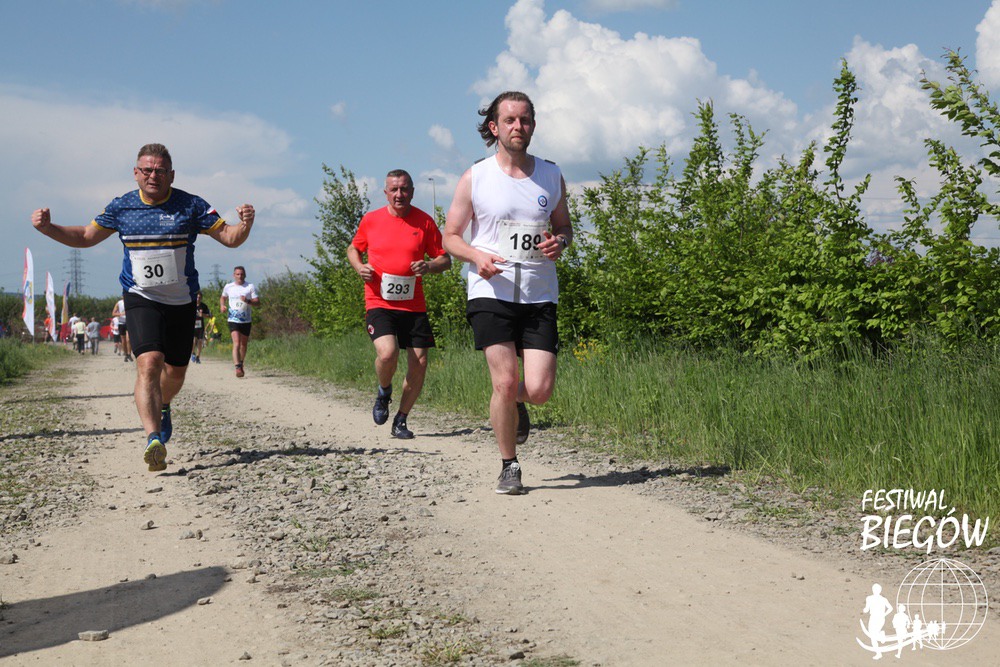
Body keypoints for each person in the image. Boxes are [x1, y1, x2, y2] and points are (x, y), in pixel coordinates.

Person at [31, 143, 255, 472]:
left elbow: (230, 237)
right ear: (136, 173)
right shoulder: (122, 206)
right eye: (147, 170)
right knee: (149, 364)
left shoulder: (191, 205)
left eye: (160, 171)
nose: (153, 176)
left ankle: (164, 404)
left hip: (181, 301)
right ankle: (153, 439)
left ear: (171, 175)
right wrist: (48, 228)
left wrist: (245, 224)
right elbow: (86, 236)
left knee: (175, 373)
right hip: (141, 297)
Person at [443, 91, 573, 495]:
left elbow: (564, 227)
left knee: (540, 391)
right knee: (503, 381)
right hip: (490, 290)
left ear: (533, 125)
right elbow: (450, 236)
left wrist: (560, 243)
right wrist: (475, 255)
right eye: (510, 120)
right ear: (494, 127)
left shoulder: (551, 175)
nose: (519, 127)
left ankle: (515, 404)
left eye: (525, 120)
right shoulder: (476, 176)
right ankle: (509, 465)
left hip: (539, 293)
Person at [348, 169, 451, 439]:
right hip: (379, 301)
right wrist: (359, 267)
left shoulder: (424, 222)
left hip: (413, 305)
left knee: (420, 362)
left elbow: (445, 259)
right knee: (387, 354)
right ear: (385, 193)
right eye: (394, 189)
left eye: (404, 189)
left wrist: (429, 266)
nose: (399, 194)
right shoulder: (371, 220)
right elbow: (353, 248)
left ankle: (401, 419)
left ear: (412, 192)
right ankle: (384, 392)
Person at [220, 266, 259, 377]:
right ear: (234, 275)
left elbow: (257, 302)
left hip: (246, 320)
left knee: (243, 344)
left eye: (241, 274)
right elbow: (223, 297)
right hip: (233, 319)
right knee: (236, 343)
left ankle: (241, 363)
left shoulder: (250, 286)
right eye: (237, 274)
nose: (240, 276)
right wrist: (222, 305)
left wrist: (247, 301)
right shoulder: (228, 287)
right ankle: (237, 367)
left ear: (245, 275)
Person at [191, 291, 211, 363]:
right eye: (197, 297)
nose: (198, 299)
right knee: (193, 341)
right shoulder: (191, 305)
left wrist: (203, 315)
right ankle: (193, 353)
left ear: (201, 298)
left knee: (200, 342)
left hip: (200, 326)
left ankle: (198, 357)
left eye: (199, 297)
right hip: (193, 326)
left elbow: (209, 316)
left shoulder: (204, 306)